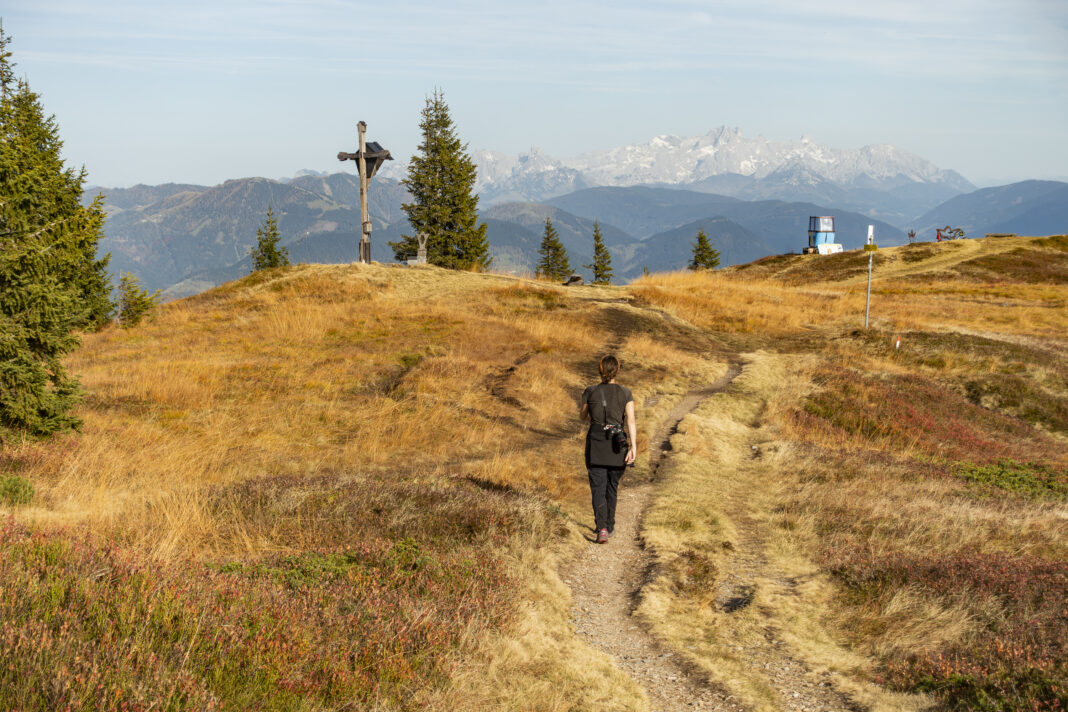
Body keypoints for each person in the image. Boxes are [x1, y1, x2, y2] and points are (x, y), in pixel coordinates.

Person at [579, 354, 637, 544]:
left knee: (598, 488)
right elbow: (630, 421)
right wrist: (633, 448)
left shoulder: (590, 391)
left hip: (596, 444)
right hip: (618, 446)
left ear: (600, 370)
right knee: (612, 487)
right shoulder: (626, 393)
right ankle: (609, 525)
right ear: (617, 370)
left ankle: (602, 528)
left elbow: (583, 417)